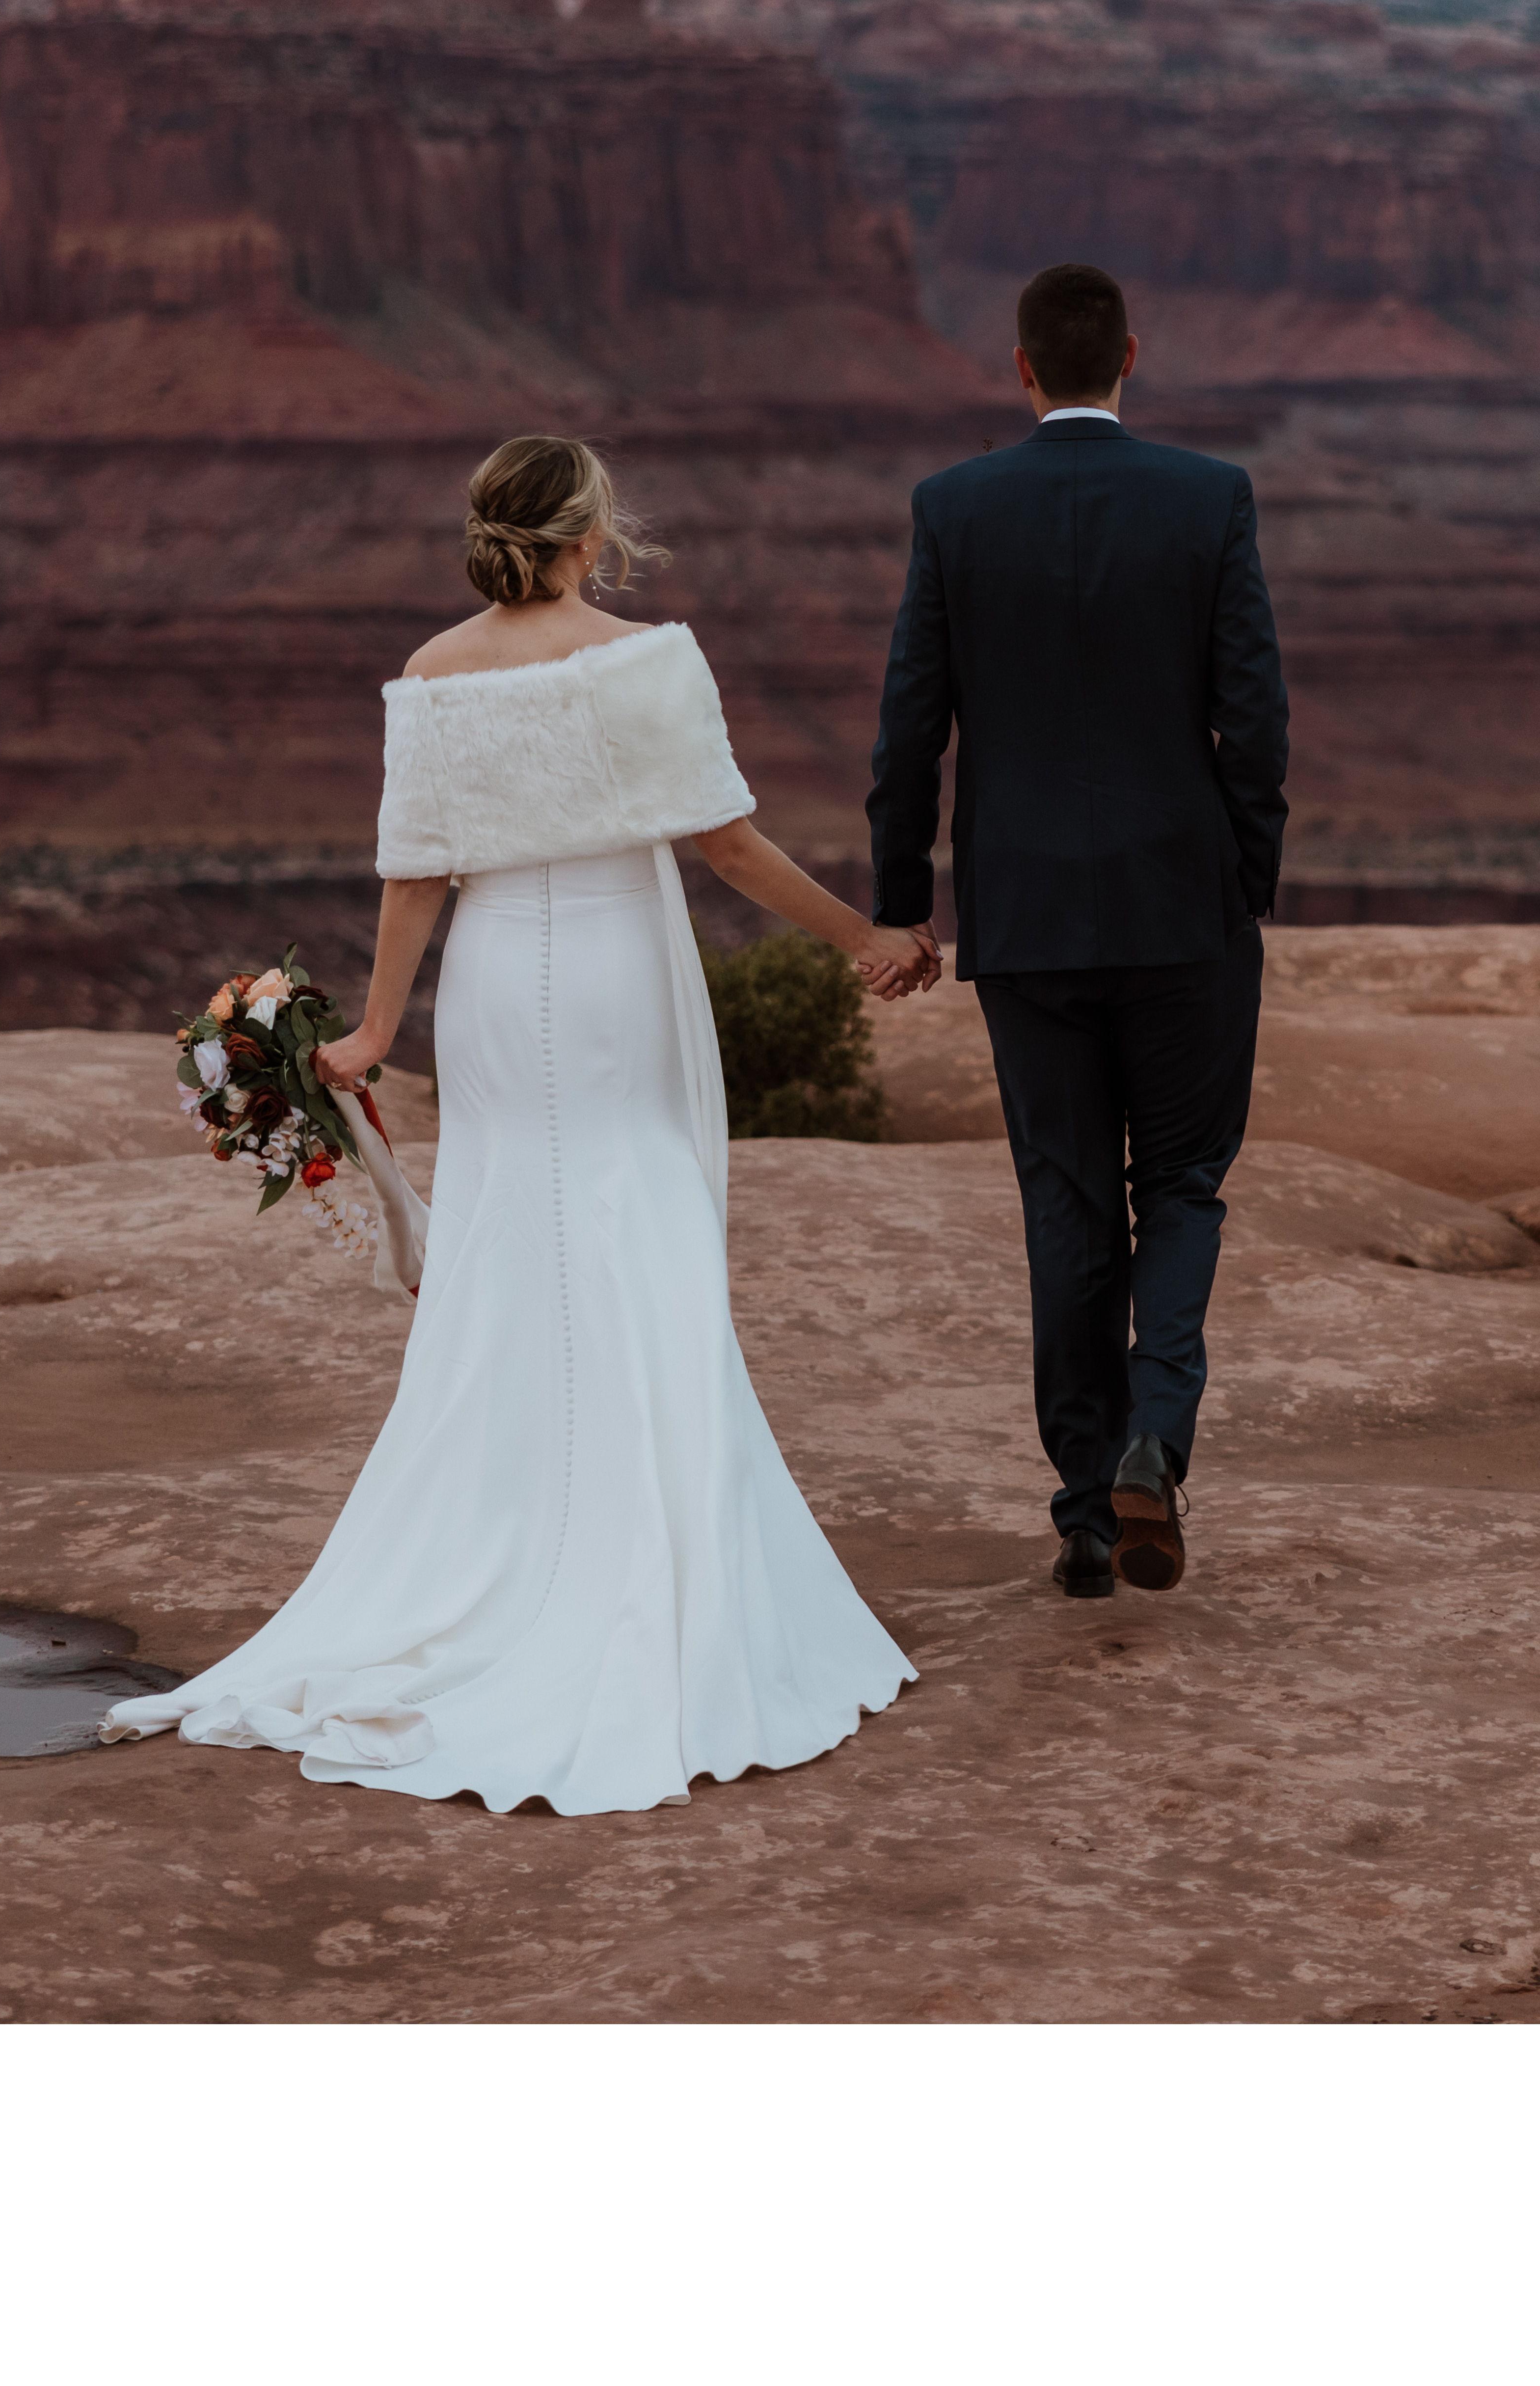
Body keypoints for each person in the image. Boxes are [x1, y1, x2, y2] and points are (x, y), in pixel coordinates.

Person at [102, 434, 926, 1815]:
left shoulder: (432, 677)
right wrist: (862, 939)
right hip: (612, 973)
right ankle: (640, 1565)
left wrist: (373, 1032)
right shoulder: (648, 660)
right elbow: (724, 844)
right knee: (635, 1230)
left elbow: (415, 876)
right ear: (593, 536)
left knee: (510, 1255)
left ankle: (498, 1545)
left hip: (492, 986)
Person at [864, 261, 1291, 1599]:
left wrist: (901, 905)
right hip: (1184, 912)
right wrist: (1244, 882)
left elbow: (908, 732)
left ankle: (1084, 1512)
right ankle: (1155, 1438)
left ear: (1023, 370)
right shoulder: (1208, 498)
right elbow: (1257, 722)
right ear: (1133, 357)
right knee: (1181, 1186)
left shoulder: (954, 509)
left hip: (1029, 921)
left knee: (1064, 1200)